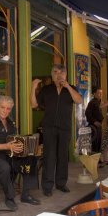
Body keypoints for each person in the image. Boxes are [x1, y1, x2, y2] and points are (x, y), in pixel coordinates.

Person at [0, 96, 40, 211]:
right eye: (2, 107)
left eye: (8, 109)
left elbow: (14, 140)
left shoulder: (10, 122)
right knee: (5, 167)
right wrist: (6, 146)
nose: (5, 111)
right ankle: (9, 198)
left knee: (31, 159)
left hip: (8, 154)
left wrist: (25, 149)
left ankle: (25, 194)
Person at [31, 64, 83, 197]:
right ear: (52, 75)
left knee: (62, 157)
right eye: (55, 72)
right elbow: (34, 104)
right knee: (49, 157)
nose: (59, 75)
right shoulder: (47, 89)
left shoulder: (71, 88)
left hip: (65, 128)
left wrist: (68, 87)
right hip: (49, 127)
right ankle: (47, 186)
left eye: (61, 72)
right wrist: (33, 88)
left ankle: (61, 184)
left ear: (65, 75)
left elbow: (79, 100)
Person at [85, 86, 104, 152]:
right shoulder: (92, 102)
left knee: (99, 142)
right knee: (94, 143)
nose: (100, 95)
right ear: (94, 94)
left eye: (101, 93)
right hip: (94, 126)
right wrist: (94, 122)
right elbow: (87, 113)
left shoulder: (100, 102)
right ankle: (94, 159)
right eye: (99, 93)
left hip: (99, 125)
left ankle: (98, 158)